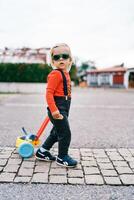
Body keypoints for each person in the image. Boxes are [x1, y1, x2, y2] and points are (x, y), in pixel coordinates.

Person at [35, 43, 77, 168]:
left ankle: (42, 152)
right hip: (57, 108)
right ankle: (62, 157)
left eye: (64, 56)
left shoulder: (65, 74)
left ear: (70, 59)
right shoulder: (56, 74)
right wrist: (54, 110)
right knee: (65, 133)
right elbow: (49, 94)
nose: (61, 59)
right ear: (53, 61)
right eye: (56, 57)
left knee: (56, 133)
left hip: (64, 107)